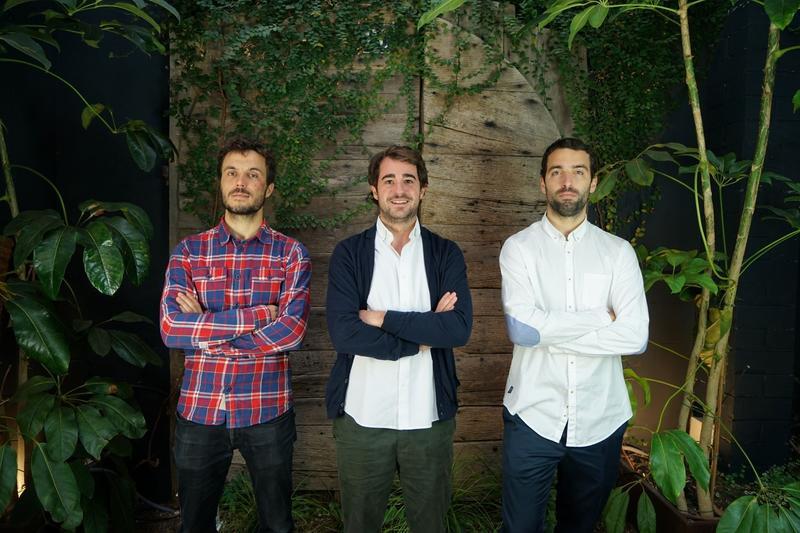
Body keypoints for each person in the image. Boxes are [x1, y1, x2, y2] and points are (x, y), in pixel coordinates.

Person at [160, 138, 311, 533]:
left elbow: (291, 332)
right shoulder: (188, 252)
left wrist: (205, 328)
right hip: (201, 409)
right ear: (221, 182)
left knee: (277, 525)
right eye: (232, 173)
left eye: (252, 174)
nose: (240, 182)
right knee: (194, 524)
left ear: (269, 188)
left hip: (268, 410)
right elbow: (172, 329)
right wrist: (259, 315)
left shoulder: (290, 254)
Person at [499, 137, 649, 532]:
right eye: (557, 172)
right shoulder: (519, 249)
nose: (568, 181)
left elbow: (634, 336)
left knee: (579, 527)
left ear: (593, 182)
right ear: (543, 183)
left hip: (601, 417)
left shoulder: (618, 253)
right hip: (532, 414)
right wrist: (601, 317)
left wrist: (547, 333)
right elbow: (521, 329)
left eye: (578, 172)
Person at [324, 145, 473, 533]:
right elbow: (345, 333)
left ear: (423, 189)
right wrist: (422, 337)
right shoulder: (349, 254)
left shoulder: (445, 254)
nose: (399, 189)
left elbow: (457, 329)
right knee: (359, 525)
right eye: (388, 180)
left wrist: (380, 318)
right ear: (374, 190)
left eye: (409, 180)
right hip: (362, 417)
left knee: (431, 525)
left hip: (428, 419)